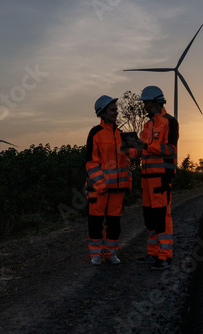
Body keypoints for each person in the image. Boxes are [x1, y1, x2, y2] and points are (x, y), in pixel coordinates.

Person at [131, 86, 179, 270]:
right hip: (146, 178)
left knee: (162, 216)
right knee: (150, 218)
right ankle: (152, 253)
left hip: (160, 178)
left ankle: (165, 256)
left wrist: (146, 146)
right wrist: (129, 150)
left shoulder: (170, 122)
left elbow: (170, 149)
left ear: (155, 102)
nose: (144, 106)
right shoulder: (147, 125)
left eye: (146, 102)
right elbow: (141, 149)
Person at [85, 95, 133, 265]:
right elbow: (91, 161)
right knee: (96, 223)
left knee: (114, 224)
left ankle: (111, 253)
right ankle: (96, 254)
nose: (116, 112)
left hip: (118, 189)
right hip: (99, 189)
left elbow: (128, 159)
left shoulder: (121, 134)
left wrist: (135, 148)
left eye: (116, 109)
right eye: (112, 110)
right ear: (102, 112)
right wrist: (100, 184)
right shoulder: (95, 133)